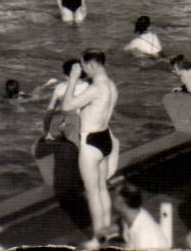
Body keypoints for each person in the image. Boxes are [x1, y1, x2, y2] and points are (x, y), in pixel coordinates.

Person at [61, 49, 119, 247]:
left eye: (84, 67)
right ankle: (108, 231)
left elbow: (67, 106)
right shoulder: (111, 85)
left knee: (92, 192)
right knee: (102, 189)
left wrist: (73, 79)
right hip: (104, 138)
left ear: (92, 65)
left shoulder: (96, 88)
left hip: (90, 141)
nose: (84, 71)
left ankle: (98, 238)